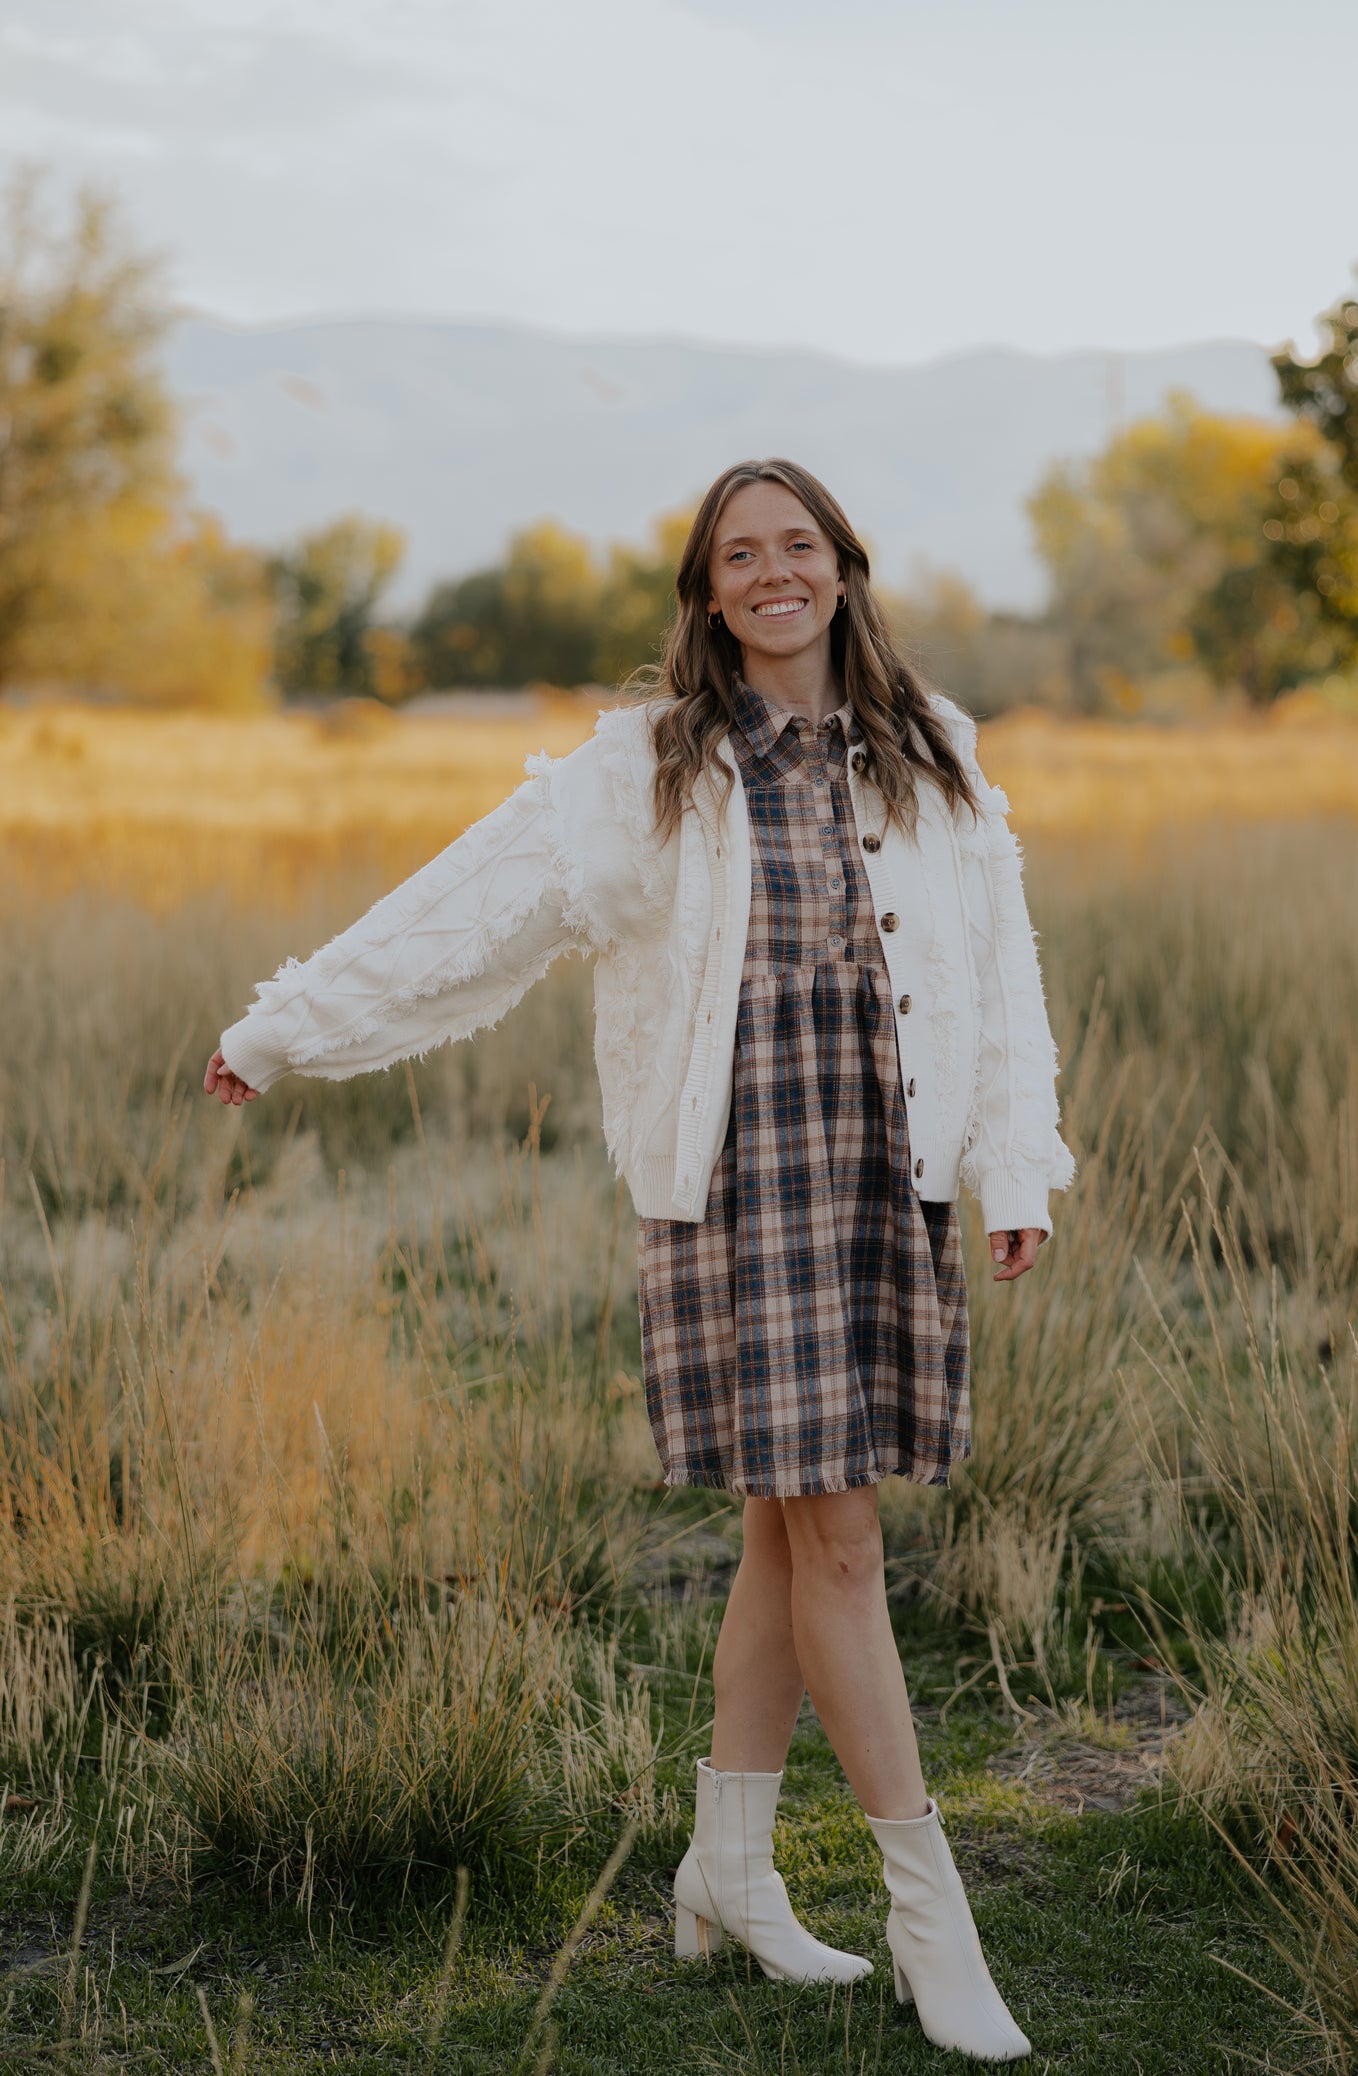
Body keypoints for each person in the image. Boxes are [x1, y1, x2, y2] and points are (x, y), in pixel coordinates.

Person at [207, 458, 1073, 2062]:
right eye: (738, 554)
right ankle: (929, 1916)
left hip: (882, 1185)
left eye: (796, 545)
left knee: (783, 1538)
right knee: (840, 1548)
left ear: (842, 567)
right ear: (706, 591)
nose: (771, 573)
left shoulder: (933, 751)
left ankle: (727, 1875)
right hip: (731, 1192)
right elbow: (470, 903)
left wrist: (1011, 1160)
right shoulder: (646, 767)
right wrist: (285, 1027)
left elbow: (996, 966)